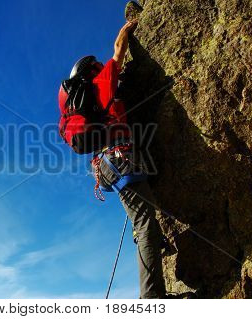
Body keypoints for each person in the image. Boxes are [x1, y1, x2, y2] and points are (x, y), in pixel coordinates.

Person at [58, 20, 167, 299]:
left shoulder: (85, 102)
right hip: (120, 159)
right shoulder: (100, 83)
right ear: (91, 71)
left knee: (141, 221)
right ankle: (152, 300)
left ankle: (154, 245)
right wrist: (127, 28)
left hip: (106, 166)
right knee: (145, 223)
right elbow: (119, 50)